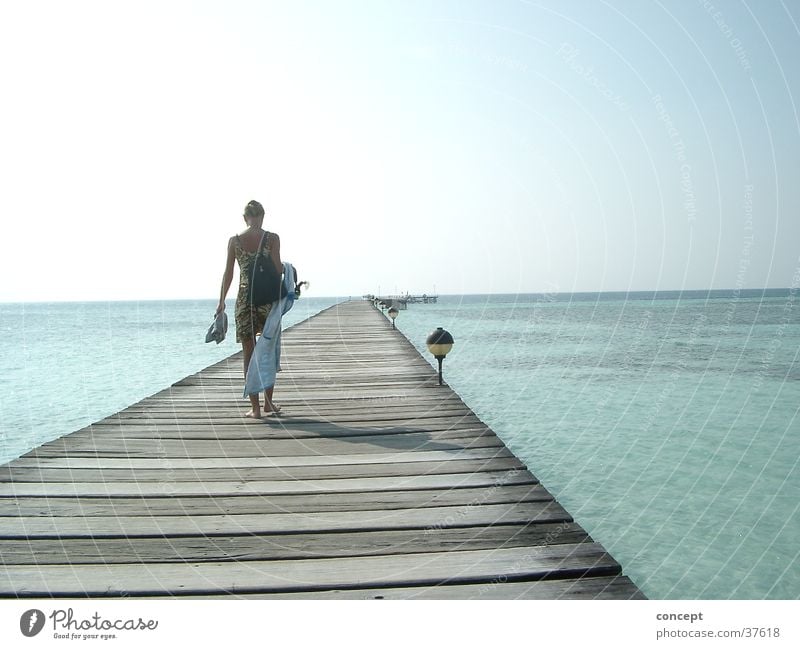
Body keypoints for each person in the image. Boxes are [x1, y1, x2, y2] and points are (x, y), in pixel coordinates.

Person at [215, 199, 282, 419]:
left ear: (245, 218)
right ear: (262, 216)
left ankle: (254, 408)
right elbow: (277, 268)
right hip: (267, 301)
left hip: (244, 302)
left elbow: (229, 273)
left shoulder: (234, 241)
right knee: (268, 350)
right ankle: (268, 404)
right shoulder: (272, 239)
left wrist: (221, 301)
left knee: (248, 353)